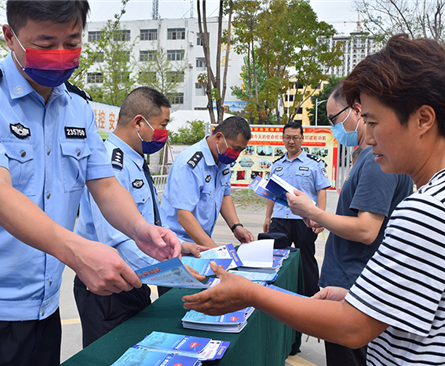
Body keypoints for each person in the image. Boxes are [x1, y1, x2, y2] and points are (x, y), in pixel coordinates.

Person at [183, 34, 445, 365]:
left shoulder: (428, 210)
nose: (366, 135)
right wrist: (357, 297)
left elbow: (352, 328)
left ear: (423, 119)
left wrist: (248, 293)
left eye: (374, 122)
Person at [0, 2, 180, 365]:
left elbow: (105, 186)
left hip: (43, 308)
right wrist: (77, 251)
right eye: (45, 44)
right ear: (10, 36)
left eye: (72, 42)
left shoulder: (78, 107)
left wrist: (141, 228)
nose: (60, 55)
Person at [74, 86, 207, 348]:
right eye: (162, 125)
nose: (164, 134)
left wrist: (179, 246)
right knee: (109, 355)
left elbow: (146, 223)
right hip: (108, 287)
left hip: (135, 278)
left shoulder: (134, 160)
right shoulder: (112, 165)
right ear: (138, 122)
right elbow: (116, 241)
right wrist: (171, 270)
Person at [294, 84, 412, 366]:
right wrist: (323, 220)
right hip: (352, 284)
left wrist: (315, 212)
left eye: (334, 119)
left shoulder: (375, 160)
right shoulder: (367, 157)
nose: (334, 127)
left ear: (357, 111)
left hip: (355, 286)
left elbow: (366, 230)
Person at [160, 116, 254, 248]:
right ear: (218, 137)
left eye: (240, 150)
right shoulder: (190, 164)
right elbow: (183, 215)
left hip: (201, 240)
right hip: (177, 242)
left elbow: (224, 196)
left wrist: (236, 226)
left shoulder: (222, 159)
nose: (236, 155)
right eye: (235, 148)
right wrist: (215, 250)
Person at [263, 122, 330, 297]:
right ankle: (278, 296)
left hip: (304, 220)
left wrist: (320, 218)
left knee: (306, 260)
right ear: (282, 139)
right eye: (287, 137)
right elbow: (271, 193)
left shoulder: (314, 164)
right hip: (280, 220)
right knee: (277, 260)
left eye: (295, 137)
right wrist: (267, 218)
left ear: (302, 138)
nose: (291, 141)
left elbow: (321, 192)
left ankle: (312, 299)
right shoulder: (277, 165)